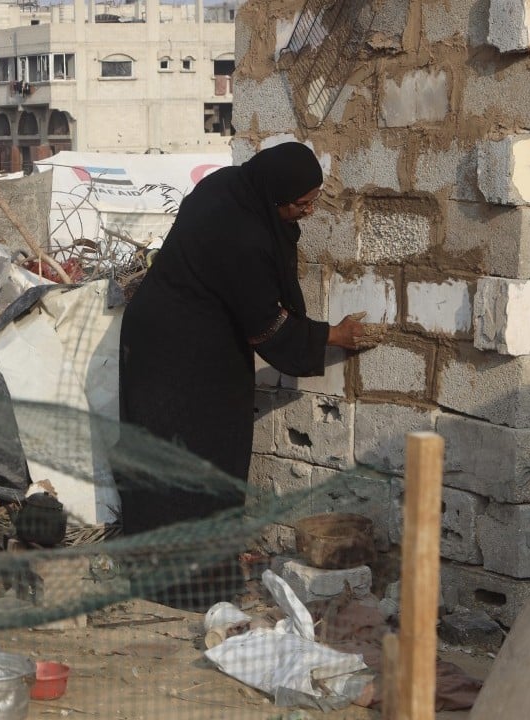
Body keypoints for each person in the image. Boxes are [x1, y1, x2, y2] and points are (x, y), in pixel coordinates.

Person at [117, 142, 378, 569]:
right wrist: (336, 335)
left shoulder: (229, 186)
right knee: (195, 454)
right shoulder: (242, 238)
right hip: (179, 353)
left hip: (166, 332)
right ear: (274, 196)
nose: (308, 213)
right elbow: (268, 325)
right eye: (301, 204)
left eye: (314, 202)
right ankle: (186, 571)